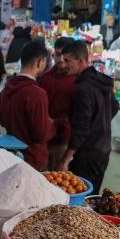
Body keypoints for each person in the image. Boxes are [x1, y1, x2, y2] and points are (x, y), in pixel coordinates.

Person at [57, 41, 119, 194]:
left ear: (80, 60)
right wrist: (99, 123)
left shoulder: (82, 89)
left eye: (67, 61)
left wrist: (65, 159)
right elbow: (115, 106)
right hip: (103, 150)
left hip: (87, 154)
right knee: (92, 195)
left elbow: (81, 129)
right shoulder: (101, 81)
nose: (64, 65)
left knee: (80, 196)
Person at [0, 40, 54, 170]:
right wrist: (52, 124)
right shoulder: (36, 93)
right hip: (32, 159)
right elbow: (41, 134)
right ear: (40, 63)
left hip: (12, 154)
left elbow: (3, 121)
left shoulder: (7, 87)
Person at [38, 37, 76, 170]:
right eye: (58, 54)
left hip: (63, 139)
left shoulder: (77, 81)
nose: (60, 59)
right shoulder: (45, 78)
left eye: (65, 56)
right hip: (43, 137)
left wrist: (57, 123)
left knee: (57, 177)